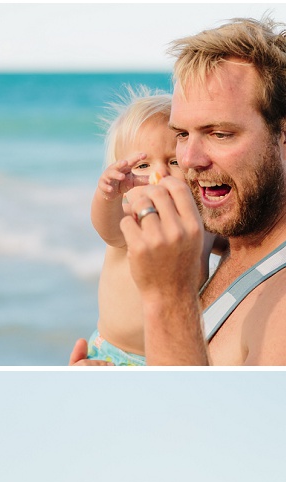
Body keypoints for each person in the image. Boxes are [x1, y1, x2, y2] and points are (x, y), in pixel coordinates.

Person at [70, 17, 286, 366]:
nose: (188, 160)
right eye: (182, 134)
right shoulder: (238, 240)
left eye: (219, 134)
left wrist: (169, 294)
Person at [86, 89, 227, 366]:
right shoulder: (132, 219)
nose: (158, 174)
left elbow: (242, 247)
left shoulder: (205, 225)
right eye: (142, 165)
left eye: (173, 161)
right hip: (114, 355)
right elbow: (105, 226)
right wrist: (108, 194)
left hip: (174, 351)